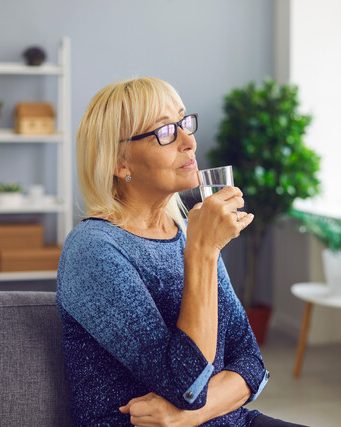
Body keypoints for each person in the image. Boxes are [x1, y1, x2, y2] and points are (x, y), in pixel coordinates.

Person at [56, 77, 305, 426]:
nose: (189, 142)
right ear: (119, 162)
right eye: (165, 132)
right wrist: (202, 252)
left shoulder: (188, 232)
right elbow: (186, 385)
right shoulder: (94, 249)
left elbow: (250, 364)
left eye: (184, 123)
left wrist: (183, 418)